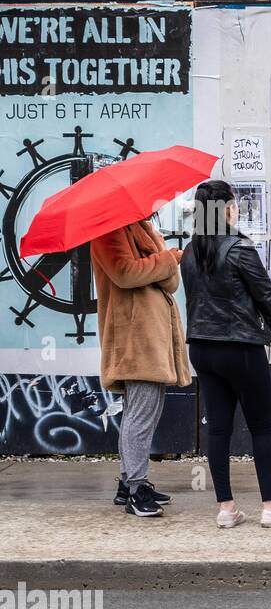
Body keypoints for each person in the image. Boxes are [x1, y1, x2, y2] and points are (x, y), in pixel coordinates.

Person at [181, 180, 271, 529]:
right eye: (234, 204)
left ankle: (226, 509)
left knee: (218, 429)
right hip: (240, 347)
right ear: (225, 209)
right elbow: (266, 296)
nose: (237, 209)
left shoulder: (190, 251)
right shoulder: (239, 248)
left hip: (201, 348)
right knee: (262, 426)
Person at [89, 219, 189, 517]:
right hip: (134, 335)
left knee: (144, 410)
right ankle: (136, 488)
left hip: (152, 334)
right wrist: (168, 258)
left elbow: (171, 283)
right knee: (141, 414)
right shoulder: (108, 230)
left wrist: (160, 257)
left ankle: (127, 483)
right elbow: (125, 273)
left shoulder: (144, 229)